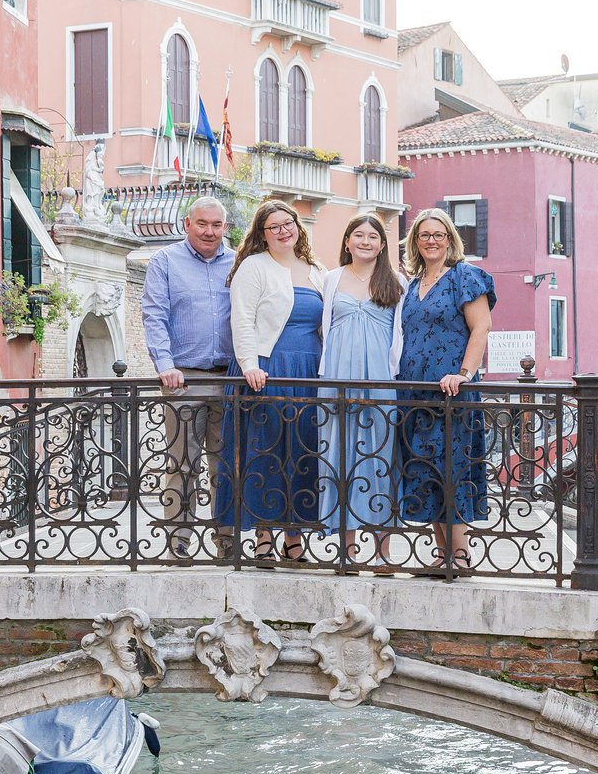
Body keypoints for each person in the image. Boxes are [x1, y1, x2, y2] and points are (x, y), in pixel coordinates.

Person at [216, 200, 324, 561]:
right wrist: (249, 364)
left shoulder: (317, 270)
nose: (283, 231)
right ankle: (263, 536)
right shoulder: (254, 266)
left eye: (287, 223)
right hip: (266, 369)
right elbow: (242, 319)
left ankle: (294, 539)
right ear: (262, 234)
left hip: (308, 372)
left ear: (297, 226)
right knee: (266, 453)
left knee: (302, 452)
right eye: (274, 226)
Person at [396, 206, 495, 570]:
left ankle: (460, 555)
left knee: (450, 468)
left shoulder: (464, 276)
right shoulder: (413, 285)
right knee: (425, 471)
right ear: (415, 242)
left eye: (438, 234)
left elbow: (481, 327)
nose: (432, 241)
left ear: (450, 239)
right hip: (415, 392)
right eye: (424, 235)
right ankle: (442, 554)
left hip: (451, 391)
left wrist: (464, 373)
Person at [139, 197, 235, 558]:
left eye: (216, 225)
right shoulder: (165, 261)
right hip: (182, 378)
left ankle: (227, 544)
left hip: (229, 379)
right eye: (202, 224)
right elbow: (154, 315)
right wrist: (165, 364)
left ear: (224, 227)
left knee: (226, 466)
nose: (209, 231)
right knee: (182, 465)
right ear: (187, 224)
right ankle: (177, 543)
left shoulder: (238, 262)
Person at [317, 214, 405, 570]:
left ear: (382, 245)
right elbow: (323, 330)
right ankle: (347, 550)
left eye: (372, 236)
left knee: (380, 457)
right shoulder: (331, 279)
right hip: (337, 376)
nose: (365, 241)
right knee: (338, 455)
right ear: (347, 241)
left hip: (380, 379)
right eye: (358, 235)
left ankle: (383, 551)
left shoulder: (396, 282)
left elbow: (400, 334)